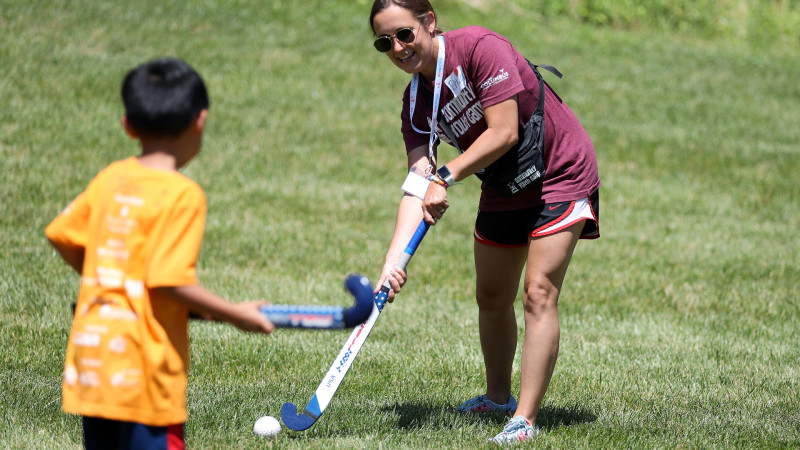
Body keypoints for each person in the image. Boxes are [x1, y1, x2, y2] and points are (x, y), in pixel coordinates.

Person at [369, 0, 600, 444]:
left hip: (559, 171)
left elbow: (504, 131)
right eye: (385, 42)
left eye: (404, 34)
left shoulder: (478, 47)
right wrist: (392, 261)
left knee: (538, 293)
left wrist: (447, 176)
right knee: (491, 295)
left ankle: (525, 419)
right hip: (504, 182)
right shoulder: (415, 101)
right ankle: (498, 399)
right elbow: (417, 183)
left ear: (429, 22)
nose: (397, 47)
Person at [45, 57, 275, 449]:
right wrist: (237, 315)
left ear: (128, 125)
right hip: (143, 369)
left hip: (94, 359)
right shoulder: (182, 194)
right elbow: (167, 280)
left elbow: (62, 235)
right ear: (199, 121)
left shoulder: (111, 177)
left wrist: (105, 279)